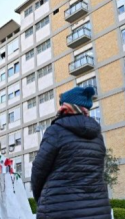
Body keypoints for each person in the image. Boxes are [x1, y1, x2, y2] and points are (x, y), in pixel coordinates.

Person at [31, 86, 111, 219]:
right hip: (98, 210)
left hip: (59, 209)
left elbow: (39, 171)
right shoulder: (97, 136)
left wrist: (42, 197)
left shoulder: (56, 131)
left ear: (65, 108)